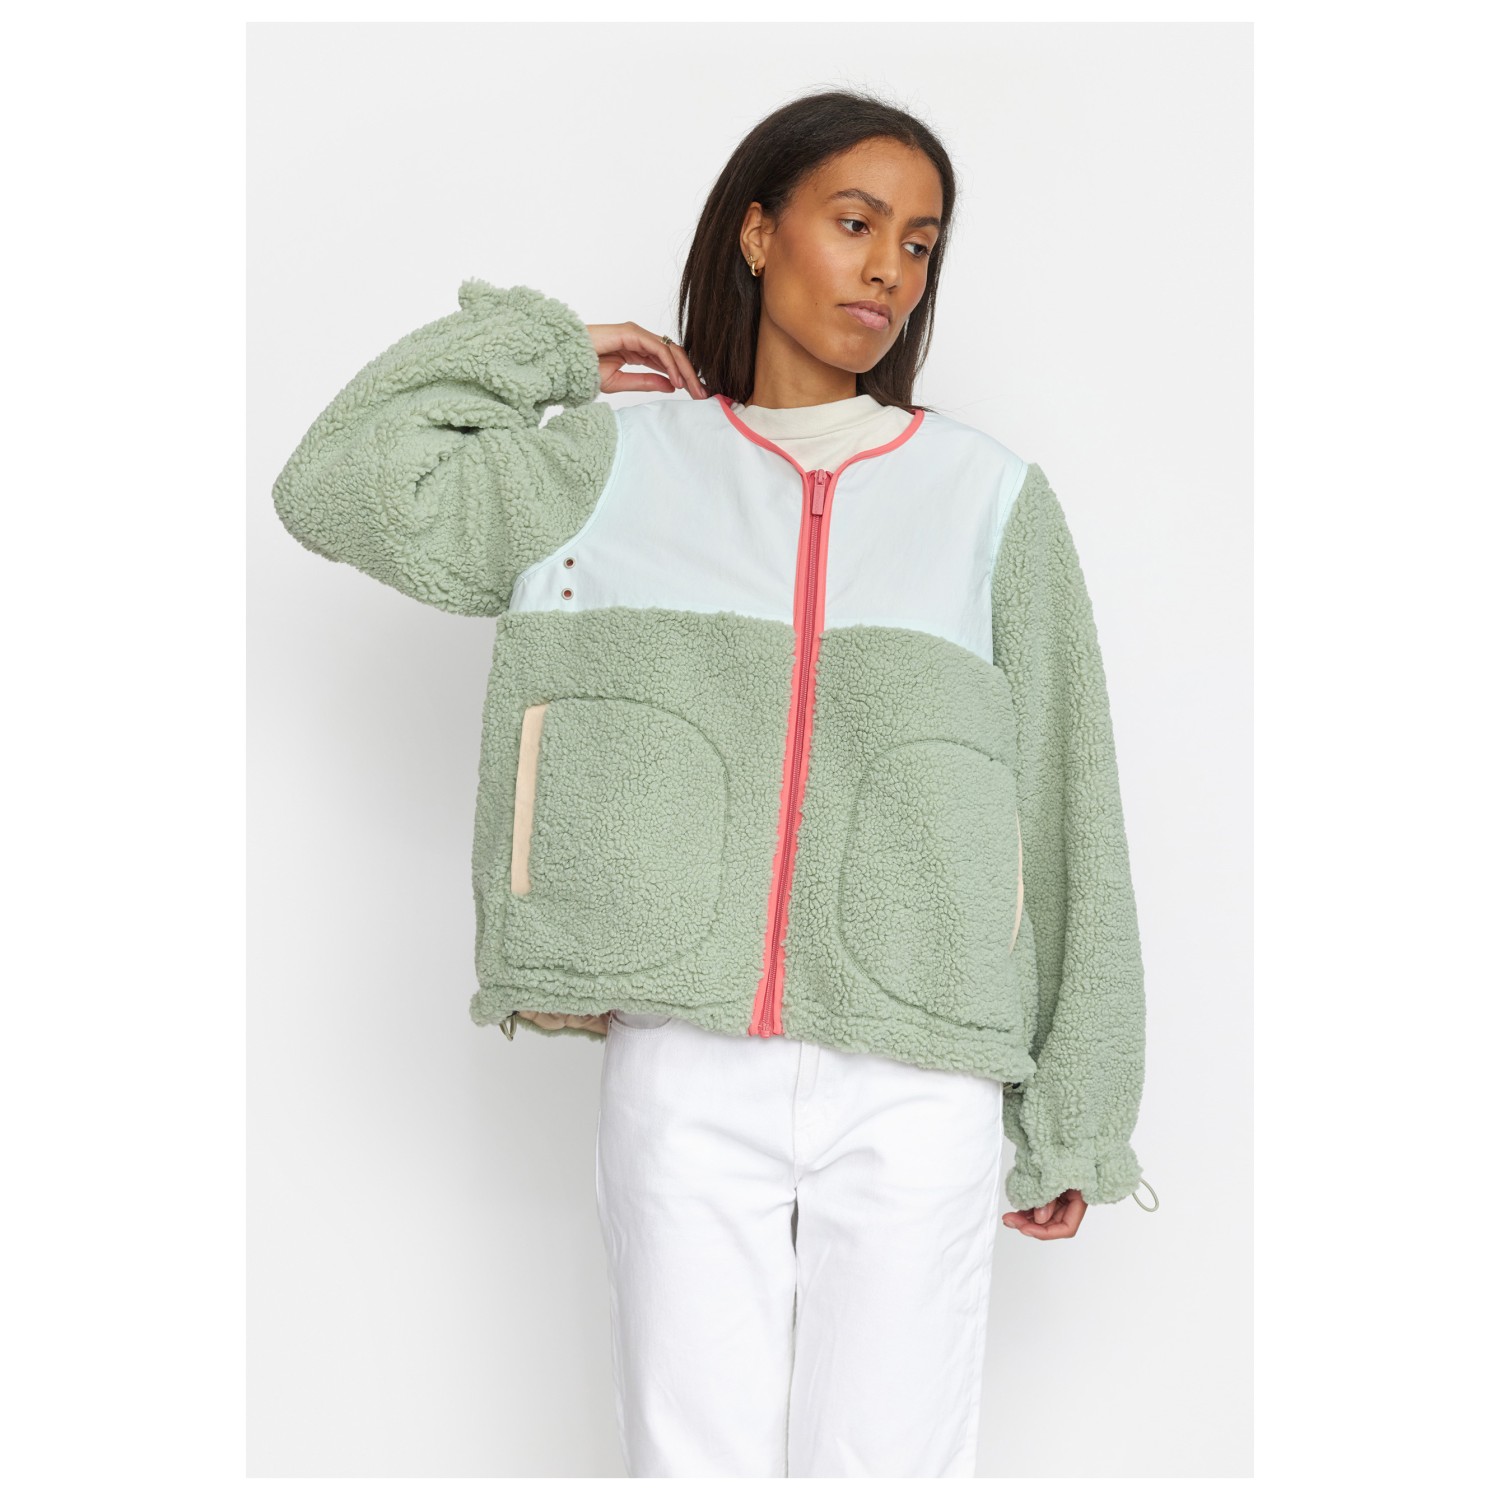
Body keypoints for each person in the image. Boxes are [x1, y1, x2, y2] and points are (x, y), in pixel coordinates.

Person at [272, 87, 1158, 1479]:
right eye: (854, 223)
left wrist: (1079, 1112)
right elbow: (336, 485)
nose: (887, 270)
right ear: (756, 232)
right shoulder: (609, 468)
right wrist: (544, 350)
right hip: (684, 1054)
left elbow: (1068, 805)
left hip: (919, 1066)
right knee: (692, 1467)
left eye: (918, 244)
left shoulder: (987, 499)